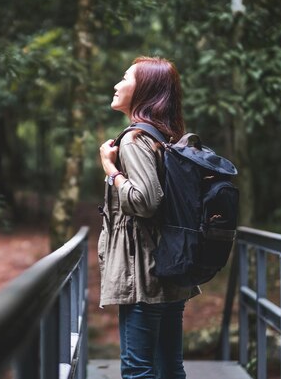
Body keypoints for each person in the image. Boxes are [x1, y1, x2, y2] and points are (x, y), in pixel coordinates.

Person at [97, 56, 200, 379]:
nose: (116, 84)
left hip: (143, 272)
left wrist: (111, 169)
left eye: (125, 78)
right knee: (169, 366)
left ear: (145, 90)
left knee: (138, 370)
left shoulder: (135, 139)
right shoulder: (163, 136)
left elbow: (146, 201)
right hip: (171, 264)